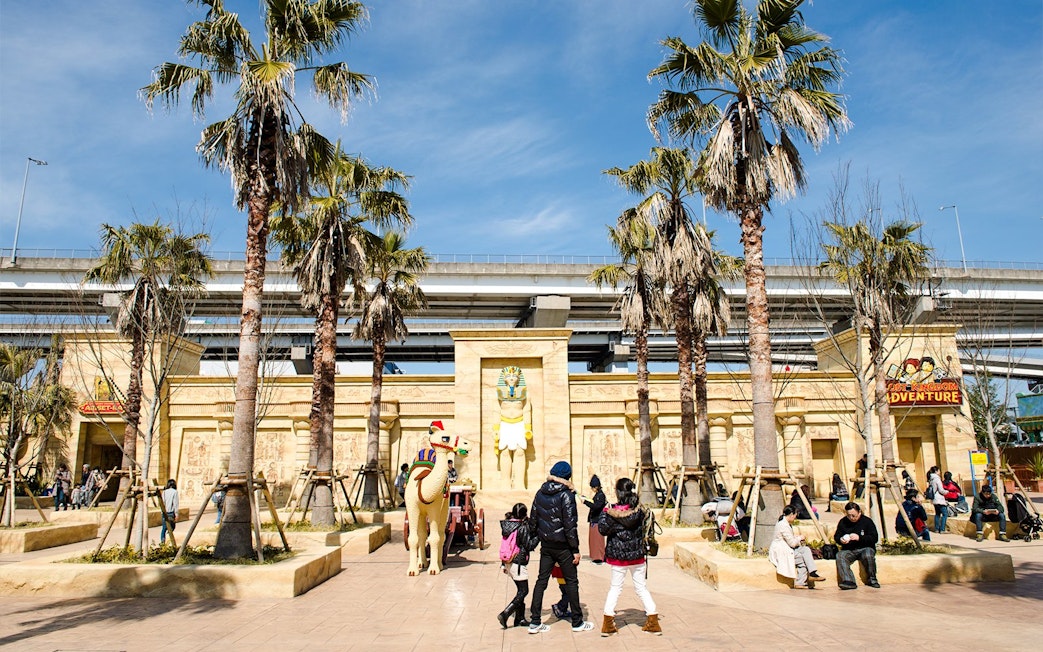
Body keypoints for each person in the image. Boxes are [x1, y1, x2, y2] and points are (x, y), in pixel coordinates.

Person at [527, 460, 593, 634]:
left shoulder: (540, 492)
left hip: (546, 546)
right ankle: (577, 622)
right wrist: (575, 549)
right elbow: (570, 525)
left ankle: (535, 621)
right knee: (571, 582)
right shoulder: (567, 495)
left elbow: (533, 519)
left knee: (541, 581)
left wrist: (538, 537)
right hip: (563, 547)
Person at [598, 477, 661, 636]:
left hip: (618, 556)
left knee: (615, 588)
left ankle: (608, 623)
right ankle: (653, 620)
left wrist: (605, 513)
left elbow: (602, 529)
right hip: (637, 555)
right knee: (641, 588)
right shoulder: (639, 511)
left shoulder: (612, 512)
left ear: (618, 493)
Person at [497, 503, 537, 629]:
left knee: (520, 590)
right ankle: (505, 613)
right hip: (518, 563)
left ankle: (520, 618)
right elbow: (529, 545)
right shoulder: (521, 527)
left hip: (508, 562)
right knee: (524, 591)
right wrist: (539, 537)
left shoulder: (508, 525)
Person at [769, 505, 823, 589]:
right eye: (795, 515)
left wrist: (797, 538)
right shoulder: (783, 525)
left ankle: (808, 577)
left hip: (786, 548)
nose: (795, 517)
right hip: (782, 551)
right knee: (803, 559)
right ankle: (806, 578)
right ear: (791, 514)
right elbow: (792, 543)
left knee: (805, 550)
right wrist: (800, 538)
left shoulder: (785, 523)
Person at [833, 502, 880, 590]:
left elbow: (874, 538)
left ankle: (872, 579)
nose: (851, 518)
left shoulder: (867, 521)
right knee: (840, 556)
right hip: (849, 549)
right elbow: (837, 536)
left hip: (865, 548)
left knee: (868, 555)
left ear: (859, 512)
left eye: (853, 515)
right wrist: (841, 540)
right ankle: (848, 580)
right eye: (849, 515)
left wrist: (859, 538)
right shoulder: (843, 522)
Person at [581, 475, 607, 564]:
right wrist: (586, 498)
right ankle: (595, 556)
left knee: (597, 540)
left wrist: (585, 502)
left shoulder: (601, 495)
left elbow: (596, 506)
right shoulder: (598, 495)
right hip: (594, 520)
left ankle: (599, 558)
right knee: (593, 540)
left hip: (598, 520)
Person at [926, 466, 949, 533]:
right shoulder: (937, 479)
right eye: (939, 470)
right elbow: (941, 490)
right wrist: (946, 492)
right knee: (945, 514)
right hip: (939, 499)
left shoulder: (931, 479)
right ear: (936, 471)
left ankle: (936, 529)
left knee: (937, 514)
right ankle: (942, 529)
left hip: (934, 499)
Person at [160, 479, 179, 545]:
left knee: (164, 528)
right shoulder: (175, 492)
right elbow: (175, 503)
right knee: (172, 527)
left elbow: (162, 502)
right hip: (171, 513)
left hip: (164, 512)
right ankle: (169, 539)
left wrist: (162, 512)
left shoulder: (164, 492)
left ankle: (162, 542)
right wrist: (176, 514)